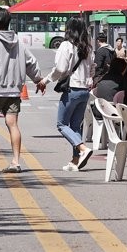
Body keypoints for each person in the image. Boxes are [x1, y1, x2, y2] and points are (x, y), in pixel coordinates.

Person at [0, 7, 48, 173]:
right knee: (13, 125)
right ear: (8, 22)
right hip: (14, 91)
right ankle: (15, 162)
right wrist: (38, 79)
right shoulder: (17, 41)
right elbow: (31, 62)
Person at [46, 16, 95, 171]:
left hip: (72, 89)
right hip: (85, 91)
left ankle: (82, 149)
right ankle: (75, 160)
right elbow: (93, 68)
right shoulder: (88, 47)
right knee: (75, 126)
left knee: (61, 124)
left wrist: (46, 80)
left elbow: (60, 69)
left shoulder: (66, 46)